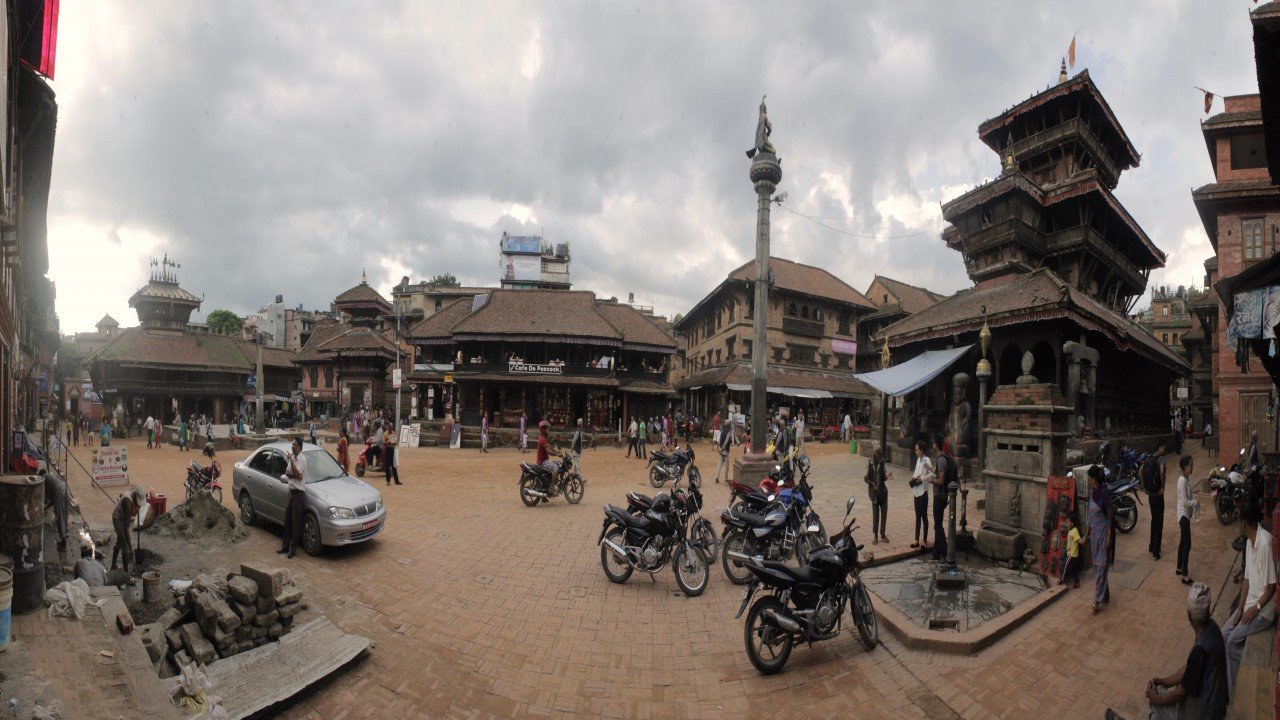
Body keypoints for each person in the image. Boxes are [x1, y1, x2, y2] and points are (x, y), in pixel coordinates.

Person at [1123, 582, 1229, 720]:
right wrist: (1163, 681)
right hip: (1215, 706)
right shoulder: (1212, 628)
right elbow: (1189, 669)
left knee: (1156, 704)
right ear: (1207, 612)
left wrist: (1155, 699)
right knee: (1160, 692)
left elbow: (1178, 694)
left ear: (1188, 615)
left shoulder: (1200, 649)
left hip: (1206, 713)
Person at [1222, 504, 1276, 698]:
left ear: (1244, 523)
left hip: (1262, 612)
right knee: (1224, 634)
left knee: (1232, 642)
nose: (1237, 524)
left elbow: (1271, 588)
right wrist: (1239, 608)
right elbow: (1246, 580)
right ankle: (1231, 677)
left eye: (1238, 521)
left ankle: (1233, 690)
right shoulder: (1248, 542)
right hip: (1248, 607)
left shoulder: (1265, 543)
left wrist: (1255, 608)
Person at [1087, 464, 1114, 612]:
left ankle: (1097, 600)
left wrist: (1109, 534)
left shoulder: (1104, 493)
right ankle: (1105, 594)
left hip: (1104, 533)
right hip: (1094, 535)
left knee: (1101, 566)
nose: (1089, 481)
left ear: (1094, 479)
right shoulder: (1092, 494)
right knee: (1098, 566)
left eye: (1090, 478)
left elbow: (1109, 514)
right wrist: (1086, 535)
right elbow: (1090, 518)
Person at [278, 438, 308, 558]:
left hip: (298, 494)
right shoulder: (293, 458)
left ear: (299, 446)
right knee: (287, 521)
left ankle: (292, 548)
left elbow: (299, 476)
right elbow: (288, 473)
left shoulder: (302, 459)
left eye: (294, 444)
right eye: (292, 444)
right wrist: (293, 472)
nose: (292, 446)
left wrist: (292, 463)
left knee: (296, 523)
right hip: (291, 493)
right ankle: (285, 545)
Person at [1142, 439, 1167, 561]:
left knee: (1153, 521)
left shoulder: (1150, 458)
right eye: (1164, 447)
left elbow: (1141, 471)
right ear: (1160, 447)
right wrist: (1162, 487)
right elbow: (1162, 472)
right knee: (1159, 523)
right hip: (1158, 495)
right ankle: (1156, 552)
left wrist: (1145, 487)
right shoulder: (1161, 459)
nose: (1165, 449)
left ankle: (1151, 546)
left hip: (1150, 495)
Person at [110, 487, 145, 572]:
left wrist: (137, 507)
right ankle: (126, 574)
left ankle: (113, 566)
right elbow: (126, 528)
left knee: (119, 542)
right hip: (117, 518)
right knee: (125, 546)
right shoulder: (128, 504)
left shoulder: (136, 491)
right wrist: (131, 548)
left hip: (123, 515)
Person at [931, 434, 952, 562]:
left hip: (940, 497)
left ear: (937, 444)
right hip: (940, 496)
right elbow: (939, 473)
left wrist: (930, 480)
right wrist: (932, 470)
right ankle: (936, 554)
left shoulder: (941, 459)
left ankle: (945, 553)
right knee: (937, 525)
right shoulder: (940, 459)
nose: (932, 444)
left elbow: (940, 480)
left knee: (938, 526)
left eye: (933, 442)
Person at [1175, 454, 1195, 584]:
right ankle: (1184, 575)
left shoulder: (1186, 479)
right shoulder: (1182, 480)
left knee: (1183, 542)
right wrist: (1196, 502)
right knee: (1187, 544)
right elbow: (1185, 502)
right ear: (1184, 467)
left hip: (1186, 515)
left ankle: (1179, 567)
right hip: (1183, 515)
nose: (1192, 467)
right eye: (1190, 465)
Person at [910, 439, 932, 550]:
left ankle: (924, 540)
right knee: (917, 516)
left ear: (922, 450)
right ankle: (916, 540)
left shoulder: (927, 460)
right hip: (916, 492)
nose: (916, 452)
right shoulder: (918, 460)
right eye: (915, 450)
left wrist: (922, 479)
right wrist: (913, 479)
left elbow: (931, 475)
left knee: (924, 516)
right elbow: (915, 474)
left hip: (923, 492)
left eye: (917, 450)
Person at [865, 448, 890, 545]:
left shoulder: (883, 462)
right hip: (874, 495)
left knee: (884, 514)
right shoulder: (869, 464)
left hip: (883, 493)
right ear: (875, 455)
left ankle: (883, 534)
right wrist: (872, 483)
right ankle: (875, 535)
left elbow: (884, 477)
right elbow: (865, 478)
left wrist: (887, 476)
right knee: (876, 516)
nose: (880, 459)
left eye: (881, 457)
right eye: (879, 457)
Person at [41, 468, 69, 551]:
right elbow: (52, 500)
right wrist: (47, 506)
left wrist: (43, 508)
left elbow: (44, 497)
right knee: (65, 515)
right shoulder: (50, 478)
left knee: (60, 517)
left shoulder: (43, 477)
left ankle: (63, 543)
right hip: (64, 489)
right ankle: (65, 534)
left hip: (59, 491)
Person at [1059, 514, 1082, 589]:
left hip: (1072, 554)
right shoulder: (1070, 530)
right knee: (1073, 569)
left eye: (1067, 522)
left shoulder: (1074, 531)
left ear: (1072, 523)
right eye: (1066, 522)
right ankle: (1077, 583)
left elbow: (1080, 541)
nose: (1066, 524)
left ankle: (1062, 579)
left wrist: (1085, 537)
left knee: (1065, 565)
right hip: (1070, 553)